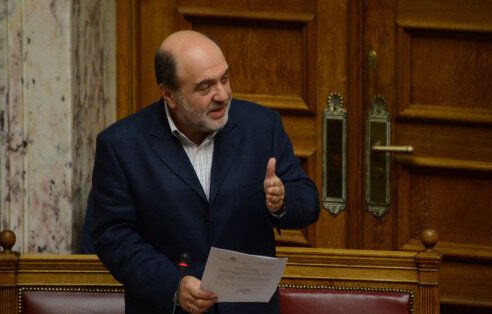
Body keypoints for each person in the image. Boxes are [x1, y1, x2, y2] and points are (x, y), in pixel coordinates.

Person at [91, 30, 320, 314]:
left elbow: (308, 202)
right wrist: (173, 285)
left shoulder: (262, 127)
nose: (222, 95)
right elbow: (112, 236)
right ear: (169, 95)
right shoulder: (122, 145)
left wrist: (282, 201)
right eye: (205, 87)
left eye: (224, 79)